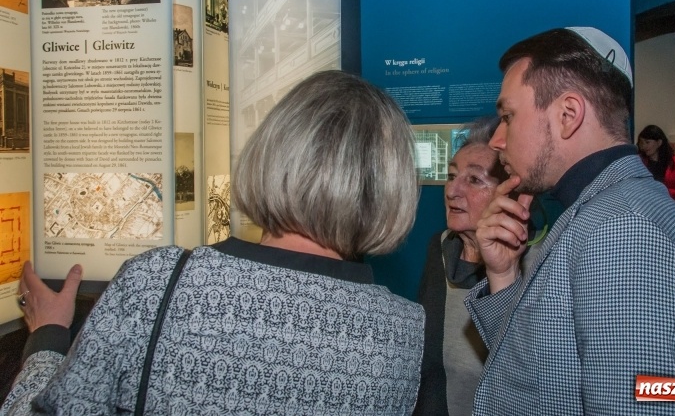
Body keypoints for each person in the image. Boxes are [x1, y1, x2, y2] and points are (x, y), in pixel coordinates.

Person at [3, 70, 425, 415]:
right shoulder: (405, 331)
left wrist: (48, 336)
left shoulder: (159, 281)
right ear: (392, 189)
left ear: (270, 153)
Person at [465, 27, 675, 415]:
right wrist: (503, 275)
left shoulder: (625, 232)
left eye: (508, 116)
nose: (498, 139)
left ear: (568, 115)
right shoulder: (604, 212)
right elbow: (536, 371)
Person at [414, 116, 506, 416]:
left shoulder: (535, 263)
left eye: (474, 179)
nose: (453, 190)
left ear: (510, 193)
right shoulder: (438, 248)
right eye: (452, 175)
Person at [637, 124, 675, 207]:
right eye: (641, 143)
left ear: (659, 142)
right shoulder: (639, 161)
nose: (644, 146)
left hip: (672, 210)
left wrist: (665, 191)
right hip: (646, 208)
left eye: (647, 142)